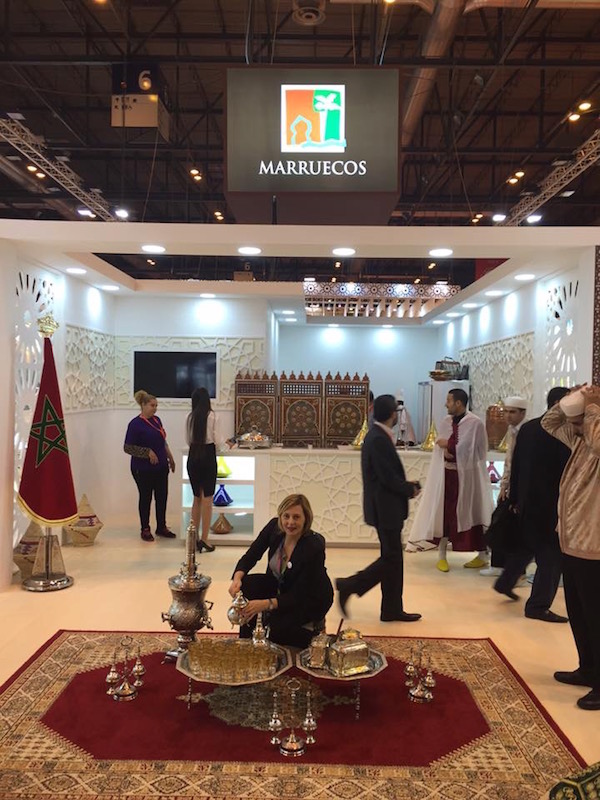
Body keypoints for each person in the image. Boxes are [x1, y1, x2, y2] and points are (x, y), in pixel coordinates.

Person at [336, 394, 422, 622]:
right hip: (386, 509)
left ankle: (391, 609)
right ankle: (349, 585)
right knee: (392, 559)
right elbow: (387, 478)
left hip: (385, 507)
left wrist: (406, 486)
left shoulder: (377, 436)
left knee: (393, 559)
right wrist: (408, 488)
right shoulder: (378, 439)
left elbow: (385, 475)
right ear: (393, 414)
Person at [541, 384, 600, 710]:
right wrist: (572, 399)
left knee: (595, 616)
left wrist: (591, 409)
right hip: (571, 543)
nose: (574, 427)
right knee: (578, 613)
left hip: (593, 547)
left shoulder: (594, 439)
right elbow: (549, 423)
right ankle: (587, 668)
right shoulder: (581, 441)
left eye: (579, 422)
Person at [493, 388, 570, 618]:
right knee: (551, 557)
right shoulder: (561, 432)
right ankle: (538, 606)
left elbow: (515, 464)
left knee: (526, 546)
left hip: (527, 501)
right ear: (558, 403)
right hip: (550, 504)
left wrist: (514, 497)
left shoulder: (529, 428)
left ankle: (505, 582)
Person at [228, 494, 334, 649]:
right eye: (286, 516)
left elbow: (299, 593)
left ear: (306, 519)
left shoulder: (313, 546)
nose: (290, 522)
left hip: (309, 598)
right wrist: (237, 579)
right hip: (281, 586)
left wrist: (265, 604)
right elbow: (252, 554)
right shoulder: (274, 527)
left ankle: (318, 635)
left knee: (276, 630)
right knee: (247, 584)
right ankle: (246, 643)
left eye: (296, 517)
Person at [407, 388, 493, 571]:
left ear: (458, 403)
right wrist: (448, 446)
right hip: (447, 475)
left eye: (449, 401)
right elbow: (441, 444)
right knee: (444, 515)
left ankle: (482, 554)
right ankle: (442, 555)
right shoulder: (446, 421)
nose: (446, 404)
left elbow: (474, 449)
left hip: (467, 478)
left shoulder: (475, 423)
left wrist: (450, 446)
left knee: (472, 513)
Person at [481, 395, 528, 577]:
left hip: (520, 488)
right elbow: (509, 462)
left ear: (522, 413)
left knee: (512, 527)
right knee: (500, 522)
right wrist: (504, 486)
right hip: (509, 487)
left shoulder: (527, 432)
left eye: (512, 412)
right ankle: (499, 565)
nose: (508, 416)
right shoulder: (512, 431)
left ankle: (515, 571)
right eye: (506, 411)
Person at [124, 390, 176, 542]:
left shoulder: (157, 420)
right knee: (146, 498)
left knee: (162, 497)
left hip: (160, 467)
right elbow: (127, 447)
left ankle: (161, 526)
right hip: (143, 469)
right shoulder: (135, 424)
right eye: (152, 405)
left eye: (156, 406)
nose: (155, 408)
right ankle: (145, 528)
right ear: (143, 405)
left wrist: (170, 457)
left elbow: (163, 442)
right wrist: (147, 452)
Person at [186, 387, 220, 552]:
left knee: (196, 498)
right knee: (208, 499)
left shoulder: (189, 417)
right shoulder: (212, 416)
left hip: (193, 455)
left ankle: (193, 539)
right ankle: (205, 540)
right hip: (208, 456)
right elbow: (216, 440)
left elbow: (188, 440)